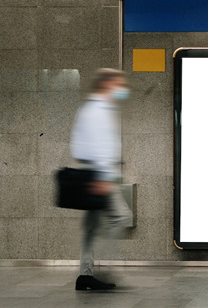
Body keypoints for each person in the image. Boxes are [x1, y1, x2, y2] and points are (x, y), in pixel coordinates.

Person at [70, 68, 133, 291]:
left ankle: (85, 274)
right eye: (118, 83)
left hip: (96, 176)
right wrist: (103, 177)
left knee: (90, 228)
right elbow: (94, 146)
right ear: (106, 84)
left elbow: (78, 144)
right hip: (100, 178)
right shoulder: (96, 110)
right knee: (123, 216)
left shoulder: (97, 108)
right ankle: (101, 268)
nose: (122, 88)